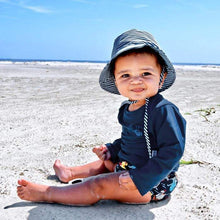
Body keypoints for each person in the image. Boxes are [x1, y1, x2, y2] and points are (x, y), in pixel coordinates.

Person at [17, 29, 186, 205]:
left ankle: (49, 194)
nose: (135, 81)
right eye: (126, 75)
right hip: (126, 167)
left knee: (98, 185)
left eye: (145, 73)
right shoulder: (128, 108)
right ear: (115, 79)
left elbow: (172, 151)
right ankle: (71, 173)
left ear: (162, 76)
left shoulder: (163, 110)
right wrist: (112, 149)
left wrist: (142, 177)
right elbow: (132, 139)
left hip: (153, 182)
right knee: (105, 164)